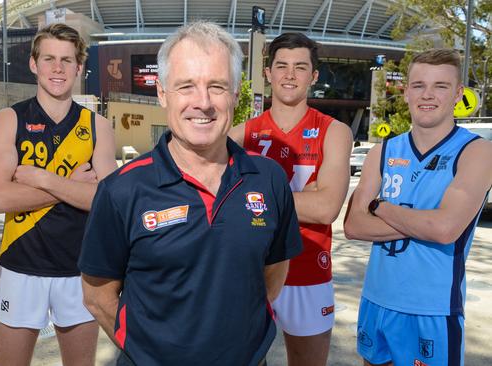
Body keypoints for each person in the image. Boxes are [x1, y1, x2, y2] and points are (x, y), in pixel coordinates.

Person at [79, 21, 303, 365]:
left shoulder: (269, 179)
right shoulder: (121, 190)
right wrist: (149, 353)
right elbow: (97, 295)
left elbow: (274, 273)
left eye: (217, 86)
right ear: (162, 92)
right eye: (186, 86)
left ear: (235, 95)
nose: (203, 103)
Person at [344, 49, 492, 366]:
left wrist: (379, 206)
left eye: (440, 86)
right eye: (419, 85)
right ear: (407, 91)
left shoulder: (477, 151)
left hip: (433, 309)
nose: (428, 95)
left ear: (457, 94)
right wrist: (423, 220)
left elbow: (444, 229)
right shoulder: (381, 152)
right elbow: (354, 226)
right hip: (376, 301)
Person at [0, 23, 117, 366]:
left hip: (80, 270)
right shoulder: (9, 119)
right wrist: (73, 186)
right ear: (33, 64)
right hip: (20, 264)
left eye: (66, 60)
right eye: (49, 59)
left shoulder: (97, 126)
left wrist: (42, 179)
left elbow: (107, 202)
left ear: (79, 67)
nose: (57, 68)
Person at [229, 32, 352, 366]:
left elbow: (326, 209)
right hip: (249, 271)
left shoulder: (334, 131)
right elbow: (220, 203)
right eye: (281, 66)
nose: (289, 74)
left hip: (308, 270)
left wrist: (254, 197)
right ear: (267, 74)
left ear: (313, 76)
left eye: (300, 67)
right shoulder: (239, 135)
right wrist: (304, 197)